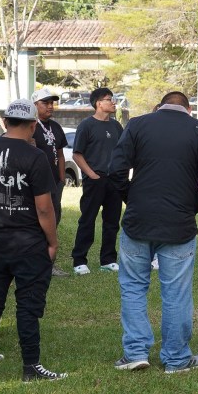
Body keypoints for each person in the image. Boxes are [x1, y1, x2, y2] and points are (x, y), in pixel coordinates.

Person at [110, 91, 198, 373]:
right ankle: (175, 358)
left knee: (133, 287)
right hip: (178, 222)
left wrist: (131, 198)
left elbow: (116, 170)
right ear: (188, 108)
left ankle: (135, 352)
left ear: (159, 105)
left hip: (139, 219)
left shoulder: (137, 124)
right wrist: (193, 205)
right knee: (176, 293)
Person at [0, 98, 66, 381]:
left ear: (5, 121)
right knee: (28, 306)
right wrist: (52, 242)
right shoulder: (34, 156)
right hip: (28, 243)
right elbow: (44, 207)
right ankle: (31, 367)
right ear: (32, 125)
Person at [70, 87, 124, 275]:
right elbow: (77, 154)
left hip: (114, 180)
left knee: (112, 221)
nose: (113, 102)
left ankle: (108, 259)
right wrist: (91, 174)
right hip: (95, 180)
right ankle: (79, 260)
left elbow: (123, 151)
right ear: (98, 103)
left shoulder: (116, 126)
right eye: (109, 99)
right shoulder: (86, 125)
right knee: (88, 219)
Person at [31, 88, 70, 277]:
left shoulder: (55, 126)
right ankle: (34, 263)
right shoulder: (30, 126)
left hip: (55, 183)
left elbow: (61, 154)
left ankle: (49, 264)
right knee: (38, 223)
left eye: (51, 103)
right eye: (45, 103)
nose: (50, 106)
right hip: (37, 185)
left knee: (54, 222)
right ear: (35, 105)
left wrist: (62, 178)